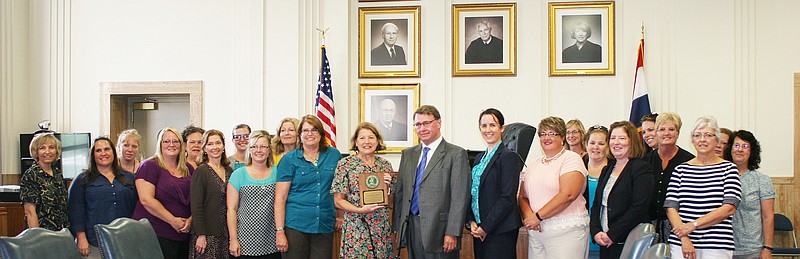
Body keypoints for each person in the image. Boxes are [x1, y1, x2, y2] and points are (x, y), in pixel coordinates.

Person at [393, 105, 470, 259]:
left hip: (440, 230)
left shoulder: (456, 154)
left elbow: (460, 197)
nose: (422, 128)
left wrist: (452, 232)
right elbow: (401, 193)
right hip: (411, 226)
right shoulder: (408, 154)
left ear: (439, 123)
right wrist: (398, 228)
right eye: (418, 124)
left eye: (427, 123)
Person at [665, 116, 741, 259]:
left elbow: (729, 207)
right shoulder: (680, 170)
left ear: (717, 140)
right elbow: (671, 207)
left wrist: (693, 225)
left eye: (708, 135)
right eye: (697, 136)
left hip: (716, 245)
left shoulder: (729, 169)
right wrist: (684, 237)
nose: (702, 140)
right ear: (692, 141)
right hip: (681, 243)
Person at [518, 116, 589, 258]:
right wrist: (529, 217)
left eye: (552, 133)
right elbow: (522, 196)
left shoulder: (571, 158)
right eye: (543, 134)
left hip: (566, 232)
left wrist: (538, 216)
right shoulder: (534, 163)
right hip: (537, 232)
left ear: (562, 136)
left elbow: (568, 194)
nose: (546, 137)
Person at [275, 115, 343, 259]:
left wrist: (341, 215)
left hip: (324, 224)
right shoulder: (289, 160)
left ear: (321, 133)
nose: (310, 134)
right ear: (300, 135)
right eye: (305, 130)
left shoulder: (334, 155)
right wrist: (280, 231)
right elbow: (280, 198)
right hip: (296, 225)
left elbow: (340, 188)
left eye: (314, 130)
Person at [590, 121, 654, 259]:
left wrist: (612, 235)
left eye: (622, 138)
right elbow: (597, 204)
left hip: (628, 240)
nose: (616, 142)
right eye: (612, 138)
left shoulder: (641, 168)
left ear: (632, 141)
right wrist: (596, 231)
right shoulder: (607, 169)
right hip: (604, 240)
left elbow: (639, 207)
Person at [330, 122, 395, 258]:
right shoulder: (345, 164)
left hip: (380, 228)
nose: (367, 142)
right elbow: (338, 201)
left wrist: (388, 188)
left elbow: (391, 203)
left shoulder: (385, 165)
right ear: (356, 142)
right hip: (356, 227)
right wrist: (360, 210)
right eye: (362, 138)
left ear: (377, 141)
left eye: (371, 138)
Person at [467, 108, 523, 259]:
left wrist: (486, 227)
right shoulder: (479, 158)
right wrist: (471, 221)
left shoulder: (508, 157)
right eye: (484, 126)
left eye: (492, 125)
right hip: (478, 229)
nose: (487, 130)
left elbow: (507, 197)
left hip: (500, 230)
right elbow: (473, 192)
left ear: (502, 128)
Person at [68, 136, 137, 258]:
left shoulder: (129, 178)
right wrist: (81, 237)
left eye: (107, 149)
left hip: (125, 239)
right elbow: (76, 211)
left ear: (113, 153)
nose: (103, 153)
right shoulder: (82, 180)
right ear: (93, 155)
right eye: (98, 150)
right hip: (94, 242)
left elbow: (136, 207)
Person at [132, 127, 195, 259]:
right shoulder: (149, 166)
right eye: (166, 141)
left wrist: (190, 220)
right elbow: (146, 200)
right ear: (160, 144)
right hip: (155, 233)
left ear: (181, 145)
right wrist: (173, 221)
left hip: (183, 234)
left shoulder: (188, 168)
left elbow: (196, 198)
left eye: (175, 141)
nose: (171, 145)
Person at [643, 112, 695, 242]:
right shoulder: (645, 161)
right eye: (662, 129)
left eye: (671, 129)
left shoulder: (689, 161)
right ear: (656, 132)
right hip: (649, 225)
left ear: (678, 133)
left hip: (679, 226)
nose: (667, 133)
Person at [228, 130, 281, 259]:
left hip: (272, 240)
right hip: (245, 241)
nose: (259, 150)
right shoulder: (238, 174)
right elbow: (231, 209)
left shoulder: (278, 172)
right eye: (254, 146)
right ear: (249, 150)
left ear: (269, 150)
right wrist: (233, 239)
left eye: (263, 146)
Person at [725, 130, 775, 259]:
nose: (740, 149)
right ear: (730, 149)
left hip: (752, 249)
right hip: (722, 247)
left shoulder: (762, 180)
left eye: (745, 146)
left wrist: (767, 248)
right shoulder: (719, 176)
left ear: (752, 151)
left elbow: (767, 216)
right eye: (736, 145)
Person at [189, 129, 233, 259]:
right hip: (207, 234)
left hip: (225, 232)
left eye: (218, 143)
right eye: (210, 144)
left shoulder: (229, 171)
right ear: (204, 148)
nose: (215, 147)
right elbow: (196, 205)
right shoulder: (202, 171)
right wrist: (201, 234)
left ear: (223, 146)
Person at [20, 133, 69, 231]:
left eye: (51, 147)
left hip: (62, 233)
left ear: (56, 151)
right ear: (36, 152)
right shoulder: (31, 175)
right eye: (42, 148)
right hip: (42, 233)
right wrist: (38, 237)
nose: (47, 152)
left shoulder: (57, 174)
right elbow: (30, 212)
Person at [582, 125, 611, 259]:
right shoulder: (577, 165)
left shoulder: (615, 168)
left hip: (606, 233)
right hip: (581, 231)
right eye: (592, 143)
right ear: (586, 144)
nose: (596, 147)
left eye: (601, 143)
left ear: (608, 146)